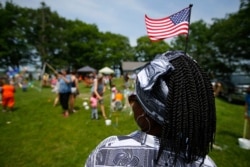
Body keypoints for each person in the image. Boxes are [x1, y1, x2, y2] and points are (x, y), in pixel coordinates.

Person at [85, 51, 216, 167]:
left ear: (146, 113)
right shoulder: (205, 163)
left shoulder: (107, 152)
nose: (131, 101)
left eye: (136, 98)